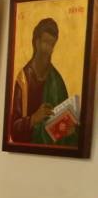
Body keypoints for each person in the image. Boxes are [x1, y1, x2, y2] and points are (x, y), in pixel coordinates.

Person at [7, 17, 76, 147]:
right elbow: (13, 130)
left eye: (52, 44)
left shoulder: (57, 80)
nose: (48, 49)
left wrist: (70, 129)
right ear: (36, 42)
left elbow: (67, 120)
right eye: (45, 42)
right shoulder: (23, 79)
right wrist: (33, 119)